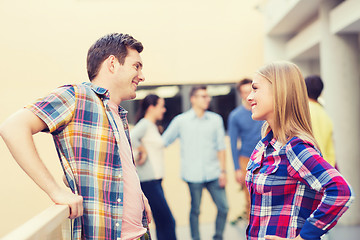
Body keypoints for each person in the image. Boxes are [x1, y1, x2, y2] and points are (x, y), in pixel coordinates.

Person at [0, 33, 152, 240]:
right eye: (136, 66)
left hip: (140, 233)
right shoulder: (77, 96)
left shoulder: (118, 113)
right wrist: (55, 191)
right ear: (112, 63)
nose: (142, 76)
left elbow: (110, 169)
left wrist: (137, 195)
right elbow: (12, 127)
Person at [245, 61, 354, 240]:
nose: (249, 97)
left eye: (255, 89)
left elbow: (341, 192)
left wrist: (304, 237)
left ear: (280, 92)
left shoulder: (294, 148)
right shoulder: (264, 146)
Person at [162, 85, 229, 240]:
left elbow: (221, 147)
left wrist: (223, 171)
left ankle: (218, 237)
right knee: (195, 210)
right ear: (193, 99)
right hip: (192, 175)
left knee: (224, 207)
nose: (207, 99)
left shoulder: (215, 120)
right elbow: (163, 141)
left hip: (214, 173)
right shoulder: (181, 121)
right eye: (203, 96)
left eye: (208, 96)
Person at [130, 94, 177, 240]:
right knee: (168, 221)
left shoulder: (152, 126)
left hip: (155, 180)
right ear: (151, 108)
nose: (164, 110)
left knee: (162, 222)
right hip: (148, 181)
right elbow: (130, 138)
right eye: (161, 106)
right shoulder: (144, 124)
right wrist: (141, 149)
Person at [227, 78, 263, 221]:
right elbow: (233, 143)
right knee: (250, 200)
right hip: (246, 160)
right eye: (244, 92)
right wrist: (237, 169)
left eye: (251, 90)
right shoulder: (235, 116)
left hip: (265, 157)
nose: (248, 95)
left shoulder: (263, 111)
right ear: (241, 94)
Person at [305, 75, 336, 167]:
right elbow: (330, 149)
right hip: (326, 167)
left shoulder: (302, 111)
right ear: (320, 92)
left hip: (310, 166)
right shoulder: (325, 114)